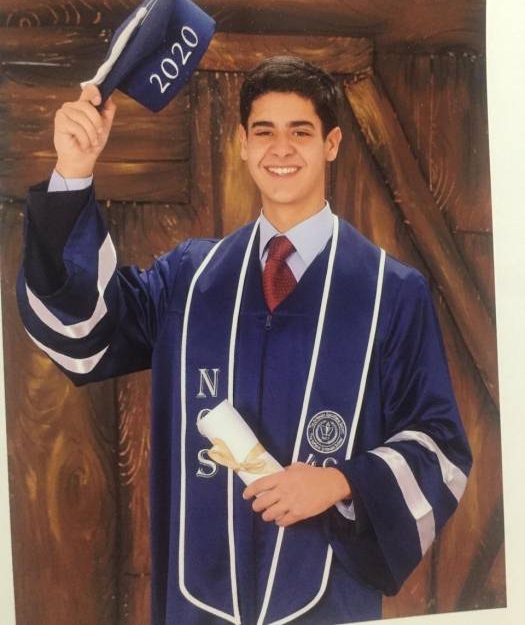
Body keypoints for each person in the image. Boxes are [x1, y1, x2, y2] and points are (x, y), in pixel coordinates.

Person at [17, 56, 472, 625]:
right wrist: (74, 170)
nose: (281, 149)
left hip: (328, 600)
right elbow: (83, 329)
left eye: (300, 132)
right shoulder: (189, 279)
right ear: (241, 144)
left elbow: (440, 448)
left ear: (331, 144)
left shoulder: (391, 292)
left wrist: (340, 481)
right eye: (264, 132)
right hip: (196, 599)